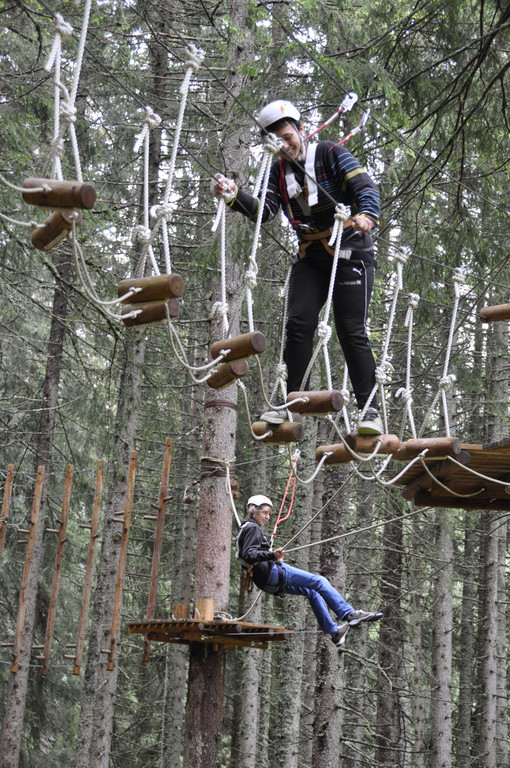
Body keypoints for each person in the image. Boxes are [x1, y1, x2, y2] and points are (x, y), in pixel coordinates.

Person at [212, 99, 383, 435]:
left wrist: (366, 215)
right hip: (311, 256)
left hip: (350, 252)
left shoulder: (330, 153)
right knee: (298, 324)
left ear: (301, 130)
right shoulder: (276, 171)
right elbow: (264, 210)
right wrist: (233, 195)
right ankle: (291, 403)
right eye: (277, 142)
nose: (285, 145)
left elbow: (365, 187)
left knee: (350, 330)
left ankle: (370, 411)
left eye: (288, 137)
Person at [236, 495, 382, 649]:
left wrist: (271, 555)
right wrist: (272, 555)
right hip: (272, 574)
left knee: (312, 592)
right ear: (254, 511)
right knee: (319, 581)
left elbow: (249, 554)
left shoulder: (245, 529)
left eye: (269, 514)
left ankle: (335, 632)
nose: (267, 517)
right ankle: (349, 614)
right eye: (264, 512)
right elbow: (249, 554)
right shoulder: (252, 528)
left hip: (266, 582)